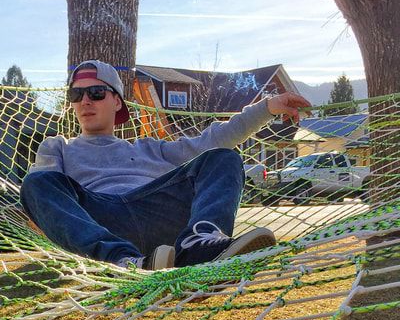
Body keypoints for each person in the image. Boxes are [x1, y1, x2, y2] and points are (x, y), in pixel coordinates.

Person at [21, 60, 311, 270]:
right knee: (37, 183)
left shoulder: (149, 147)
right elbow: (45, 204)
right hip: (100, 219)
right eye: (76, 94)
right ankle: (122, 260)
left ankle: (199, 245)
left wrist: (267, 108)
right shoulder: (58, 147)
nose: (85, 101)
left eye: (96, 93)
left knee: (223, 157)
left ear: (117, 102)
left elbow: (213, 139)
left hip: (159, 215)